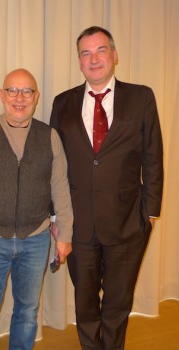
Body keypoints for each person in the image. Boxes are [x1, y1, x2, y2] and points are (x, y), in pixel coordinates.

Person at [50, 26, 163, 350]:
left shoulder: (141, 97)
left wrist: (150, 213)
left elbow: (153, 156)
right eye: (86, 53)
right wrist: (56, 217)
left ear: (114, 55)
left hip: (128, 223)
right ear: (79, 61)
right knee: (85, 303)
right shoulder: (63, 103)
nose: (93, 59)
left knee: (117, 304)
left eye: (100, 50)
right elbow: (54, 165)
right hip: (78, 224)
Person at [0, 68, 73, 350]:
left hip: (36, 239)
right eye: (12, 90)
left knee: (28, 312)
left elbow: (61, 189)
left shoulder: (49, 136)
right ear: (2, 95)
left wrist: (65, 234)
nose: (19, 98)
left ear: (36, 97)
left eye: (27, 91)